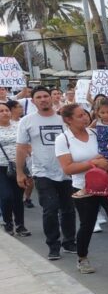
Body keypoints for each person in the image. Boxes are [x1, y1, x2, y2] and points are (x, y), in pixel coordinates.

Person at [54, 104, 108, 276]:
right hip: (83, 188)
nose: (85, 118)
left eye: (86, 114)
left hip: (107, 184)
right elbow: (67, 168)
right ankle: (82, 258)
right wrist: (93, 163)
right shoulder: (63, 139)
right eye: (80, 115)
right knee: (87, 225)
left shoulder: (96, 133)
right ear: (68, 120)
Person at [16, 86, 77, 260]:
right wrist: (20, 172)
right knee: (50, 209)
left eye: (45, 96)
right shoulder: (26, 121)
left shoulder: (64, 119)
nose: (43, 99)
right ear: (33, 101)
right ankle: (53, 245)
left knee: (68, 209)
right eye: (39, 97)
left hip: (66, 171)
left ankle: (69, 241)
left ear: (51, 98)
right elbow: (21, 148)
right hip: (42, 172)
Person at [0, 101, 29, 236]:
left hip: (18, 167)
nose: (5, 113)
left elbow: (26, 144)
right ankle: (8, 223)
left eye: (6, 110)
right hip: (1, 168)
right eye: (1, 111)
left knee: (18, 197)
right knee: (6, 197)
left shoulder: (19, 126)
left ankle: (20, 225)